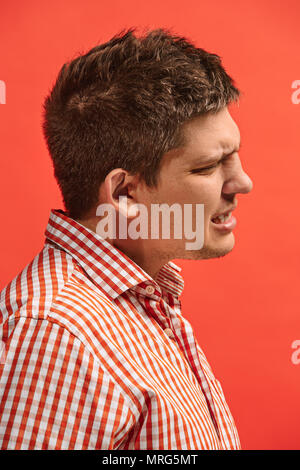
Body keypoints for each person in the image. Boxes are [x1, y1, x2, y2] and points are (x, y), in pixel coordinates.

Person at [0, 27, 253, 450]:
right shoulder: (58, 332)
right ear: (124, 194)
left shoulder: (142, 300)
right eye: (208, 166)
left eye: (235, 155)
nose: (242, 182)